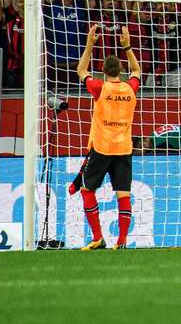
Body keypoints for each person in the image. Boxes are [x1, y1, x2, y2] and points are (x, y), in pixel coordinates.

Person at [70, 24, 141, 250]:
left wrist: (90, 43)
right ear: (120, 69)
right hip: (123, 149)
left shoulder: (99, 88)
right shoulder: (131, 87)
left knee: (87, 190)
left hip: (101, 148)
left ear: (103, 69)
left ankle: (98, 237)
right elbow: (137, 71)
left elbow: (81, 70)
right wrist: (127, 46)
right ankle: (121, 241)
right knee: (123, 195)